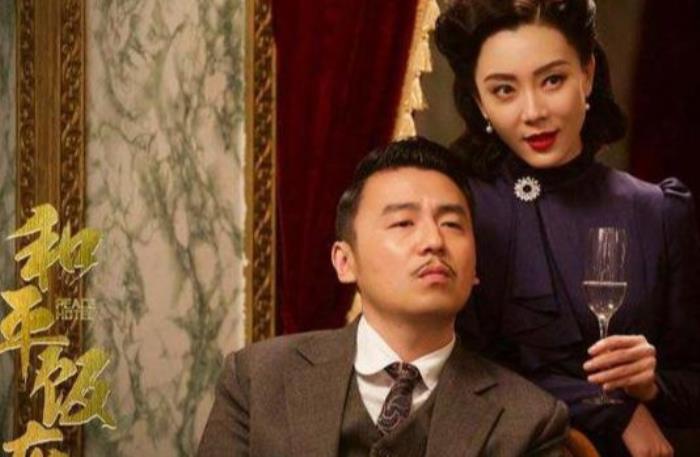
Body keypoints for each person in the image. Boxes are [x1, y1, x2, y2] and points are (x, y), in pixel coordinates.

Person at [435, 1, 700, 456]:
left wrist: (651, 384)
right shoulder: (457, 210)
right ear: (479, 102)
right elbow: (448, 365)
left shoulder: (657, 211)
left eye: (552, 80)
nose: (533, 111)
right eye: (504, 90)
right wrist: (611, 411)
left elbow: (693, 383)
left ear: (588, 74)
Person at [196, 138, 568, 457]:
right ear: (345, 262)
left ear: (475, 268)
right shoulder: (258, 379)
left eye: (452, 224)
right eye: (403, 222)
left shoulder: (529, 419)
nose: (434, 241)